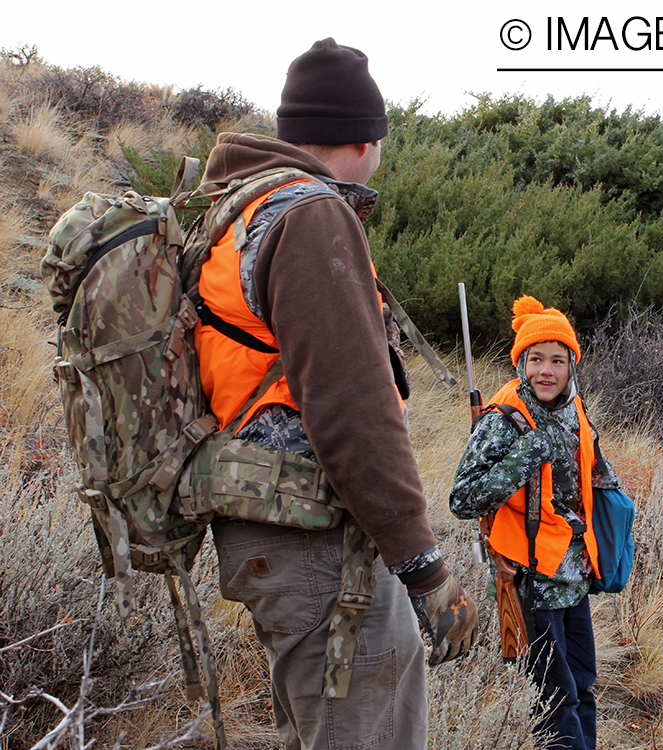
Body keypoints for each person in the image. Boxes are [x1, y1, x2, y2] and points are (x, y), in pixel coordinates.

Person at [196, 38, 477, 750]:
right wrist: (423, 567)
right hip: (315, 535)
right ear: (367, 136)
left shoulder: (240, 207)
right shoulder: (311, 214)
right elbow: (353, 408)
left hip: (264, 520)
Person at [449, 295, 620, 750]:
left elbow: (588, 485)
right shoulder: (504, 421)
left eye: (558, 360)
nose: (547, 370)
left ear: (571, 367)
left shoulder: (574, 412)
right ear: (522, 363)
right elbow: (462, 499)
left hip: (571, 577)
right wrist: (525, 454)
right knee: (555, 697)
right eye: (536, 359)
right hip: (528, 580)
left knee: (582, 685)